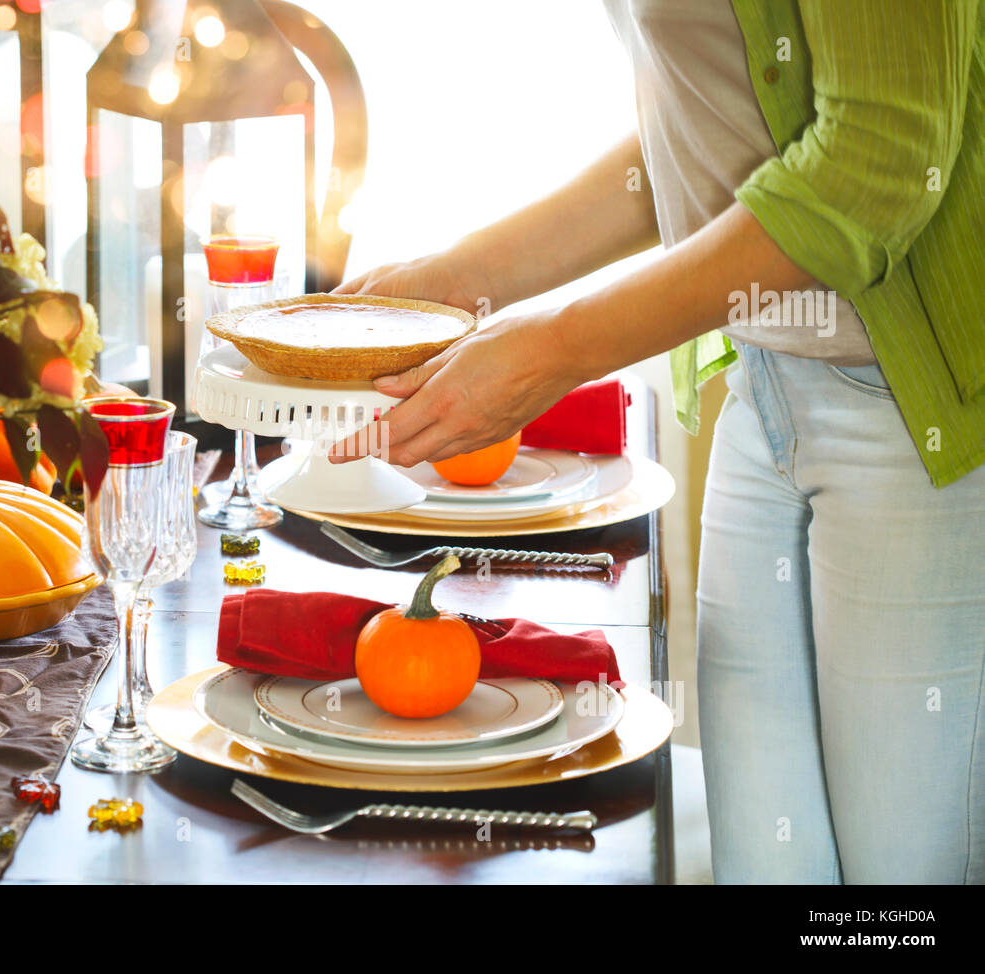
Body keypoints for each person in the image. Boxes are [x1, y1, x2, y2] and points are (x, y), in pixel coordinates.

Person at [332, 0, 985, 884]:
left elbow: (881, 161)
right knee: (770, 868)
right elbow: (709, 129)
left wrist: (559, 348)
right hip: (766, 389)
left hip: (923, 409)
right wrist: (466, 277)